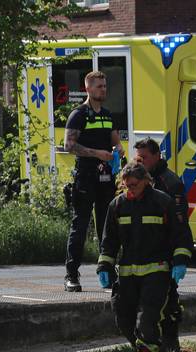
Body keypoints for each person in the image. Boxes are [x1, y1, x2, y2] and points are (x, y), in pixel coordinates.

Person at [95, 165, 192, 352]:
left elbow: (180, 234)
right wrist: (105, 265)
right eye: (126, 185)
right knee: (123, 317)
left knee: (148, 318)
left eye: (134, 185)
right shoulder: (117, 205)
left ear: (146, 180)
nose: (130, 189)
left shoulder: (162, 202)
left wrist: (180, 259)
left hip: (157, 271)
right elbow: (109, 241)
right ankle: (145, 350)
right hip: (128, 274)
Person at [63, 71, 124, 292]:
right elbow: (69, 146)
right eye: (99, 86)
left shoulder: (108, 115)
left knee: (107, 226)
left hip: (106, 178)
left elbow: (115, 140)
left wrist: (118, 149)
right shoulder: (79, 114)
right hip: (86, 177)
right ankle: (71, 274)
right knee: (80, 225)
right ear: (88, 89)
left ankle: (107, 272)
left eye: (105, 86)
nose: (103, 90)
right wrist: (96, 153)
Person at [131, 138, 189, 352]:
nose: (141, 162)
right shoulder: (139, 180)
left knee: (169, 302)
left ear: (157, 156)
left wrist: (180, 258)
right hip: (144, 253)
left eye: (144, 158)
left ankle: (171, 344)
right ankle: (151, 345)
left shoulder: (170, 183)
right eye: (138, 158)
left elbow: (181, 225)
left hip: (165, 253)